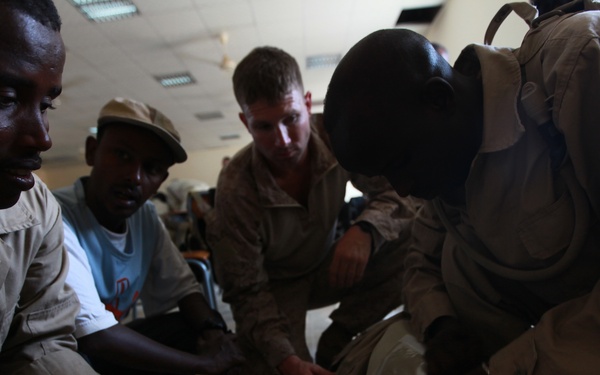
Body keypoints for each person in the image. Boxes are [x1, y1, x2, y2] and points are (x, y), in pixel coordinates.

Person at [323, 1, 600, 374]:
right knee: (455, 263)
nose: (402, 190)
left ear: (439, 101)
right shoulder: (445, 160)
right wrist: (443, 327)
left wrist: (511, 366)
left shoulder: (577, 65)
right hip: (552, 318)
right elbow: (421, 265)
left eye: (400, 164)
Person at [205, 46, 419, 375]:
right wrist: (286, 359)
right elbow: (247, 292)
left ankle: (341, 337)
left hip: (327, 266)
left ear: (307, 103)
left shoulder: (337, 134)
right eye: (263, 127)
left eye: (291, 119)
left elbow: (400, 191)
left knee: (412, 236)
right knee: (283, 366)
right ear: (244, 123)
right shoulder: (236, 187)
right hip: (274, 288)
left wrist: (365, 230)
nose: (283, 140)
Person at [53, 97, 244, 375]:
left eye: (152, 168)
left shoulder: (145, 217)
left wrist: (215, 333)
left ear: (161, 181)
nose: (136, 177)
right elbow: (95, 337)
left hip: (99, 347)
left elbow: (185, 290)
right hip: (58, 356)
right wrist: (205, 365)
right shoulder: (55, 216)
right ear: (92, 151)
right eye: (122, 155)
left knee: (193, 331)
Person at [0, 0, 98, 373]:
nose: (42, 139)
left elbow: (38, 345)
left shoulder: (35, 207)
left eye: (46, 106)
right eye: (6, 99)